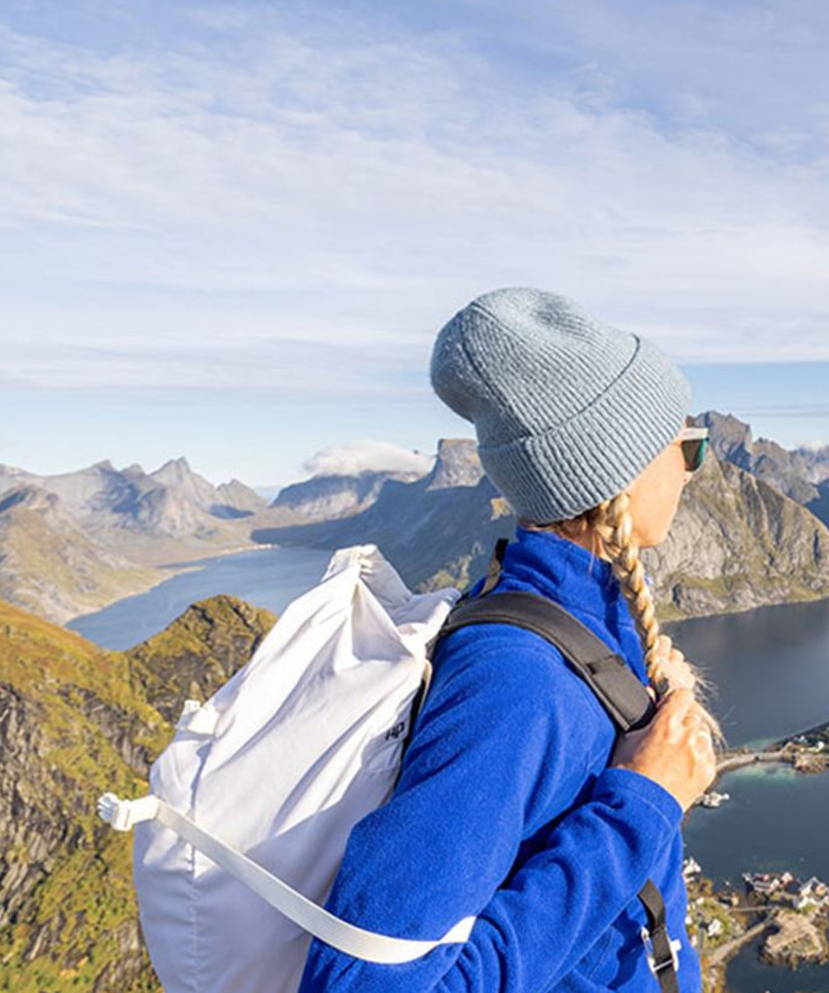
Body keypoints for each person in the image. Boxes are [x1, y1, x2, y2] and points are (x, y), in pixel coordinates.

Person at [300, 287, 721, 993]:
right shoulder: (518, 685)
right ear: (617, 467)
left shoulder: (577, 634)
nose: (692, 465)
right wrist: (640, 804)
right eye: (690, 443)